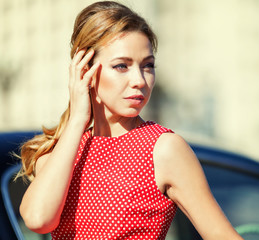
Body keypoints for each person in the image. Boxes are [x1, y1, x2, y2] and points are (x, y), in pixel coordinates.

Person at [17, 1, 244, 239]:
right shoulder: (61, 152)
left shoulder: (163, 149)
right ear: (85, 70)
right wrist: (77, 121)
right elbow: (37, 219)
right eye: (122, 66)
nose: (139, 80)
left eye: (148, 66)